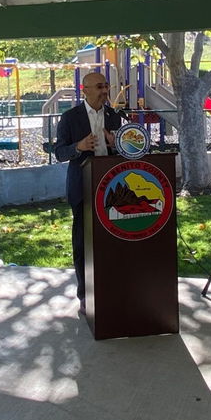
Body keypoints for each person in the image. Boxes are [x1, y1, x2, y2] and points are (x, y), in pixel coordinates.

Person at [54, 71, 122, 314]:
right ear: (85, 90)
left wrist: (117, 145)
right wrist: (78, 147)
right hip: (82, 188)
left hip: (112, 190)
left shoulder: (114, 116)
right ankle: (84, 294)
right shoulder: (70, 118)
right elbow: (60, 153)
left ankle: (110, 289)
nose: (105, 90)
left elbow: (122, 152)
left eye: (106, 86)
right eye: (99, 86)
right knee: (83, 243)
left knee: (112, 242)